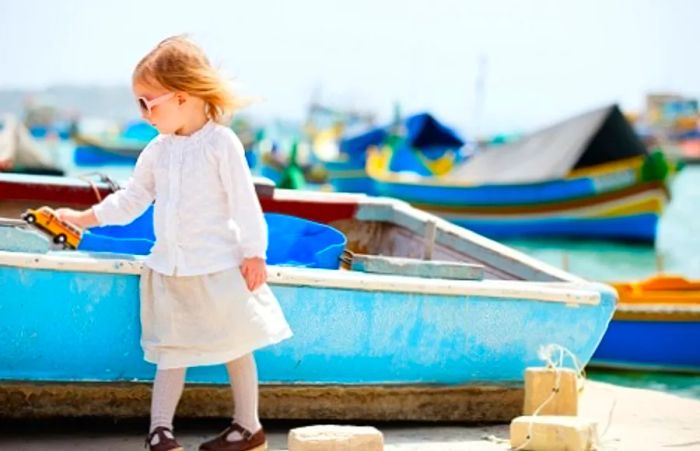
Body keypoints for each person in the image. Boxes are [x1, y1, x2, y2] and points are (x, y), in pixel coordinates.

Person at [56, 35, 292, 451]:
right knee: (172, 351)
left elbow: (243, 202)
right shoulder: (157, 151)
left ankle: (248, 426)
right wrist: (84, 218)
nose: (143, 114)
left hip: (219, 265)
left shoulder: (221, 144)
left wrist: (255, 252)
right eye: (139, 104)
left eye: (148, 103)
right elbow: (131, 199)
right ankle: (160, 430)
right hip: (171, 268)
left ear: (182, 98)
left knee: (237, 345)